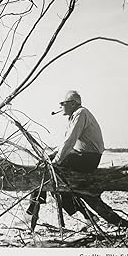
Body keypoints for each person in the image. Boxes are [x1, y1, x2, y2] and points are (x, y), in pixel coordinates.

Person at [27, 90, 104, 222]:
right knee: (53, 179)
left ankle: (34, 205)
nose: (61, 106)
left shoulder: (81, 113)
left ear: (73, 104)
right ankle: (88, 216)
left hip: (88, 158)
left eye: (63, 103)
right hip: (82, 155)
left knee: (49, 170)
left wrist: (55, 161)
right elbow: (66, 142)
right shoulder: (75, 115)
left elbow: (70, 141)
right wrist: (53, 155)